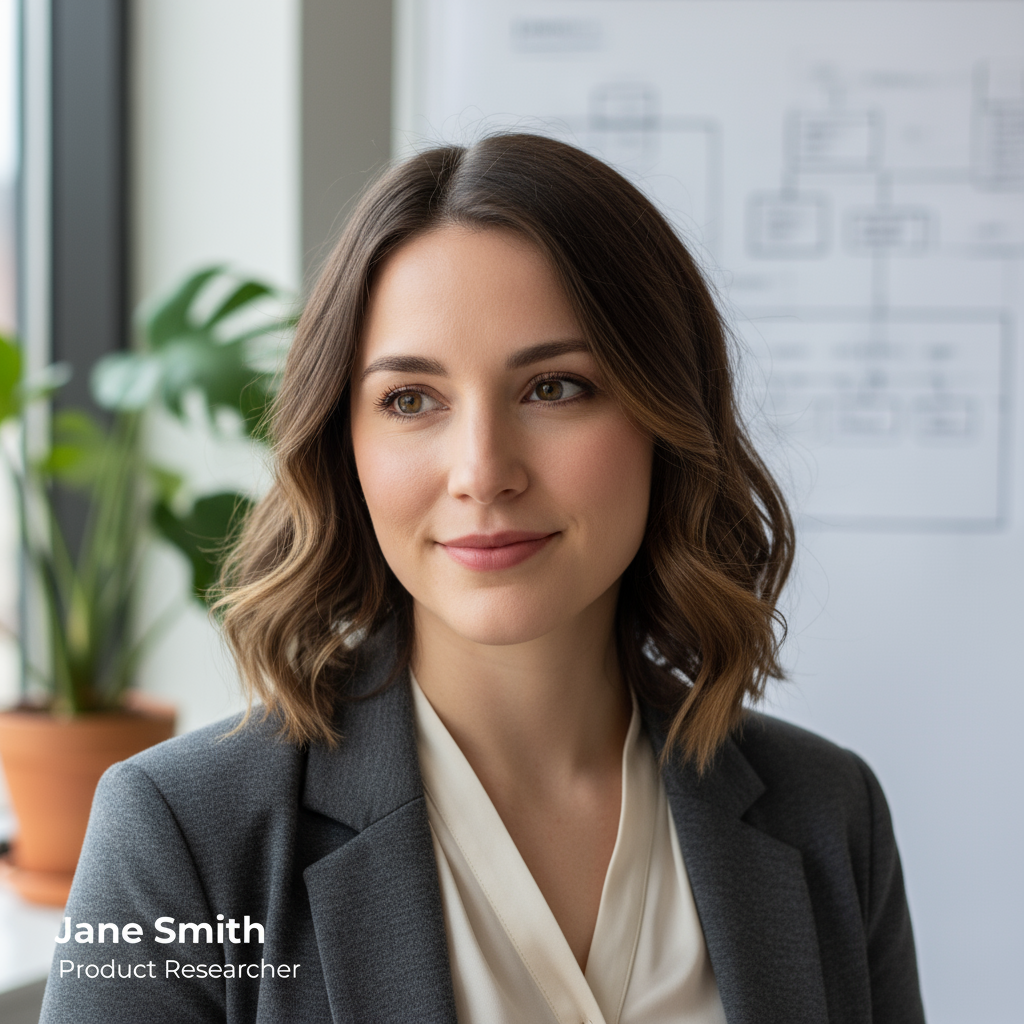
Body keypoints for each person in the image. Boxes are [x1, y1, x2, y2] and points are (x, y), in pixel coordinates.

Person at [41, 133, 925, 1024]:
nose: (482, 471)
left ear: (668, 414)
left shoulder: (829, 814)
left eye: (554, 388)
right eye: (410, 400)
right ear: (343, 447)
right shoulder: (178, 832)